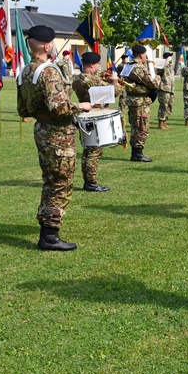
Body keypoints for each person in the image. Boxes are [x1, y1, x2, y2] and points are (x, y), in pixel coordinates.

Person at [17, 25, 92, 251]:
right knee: (60, 182)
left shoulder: (26, 70)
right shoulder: (48, 71)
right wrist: (80, 105)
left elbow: (23, 109)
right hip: (57, 133)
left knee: (51, 180)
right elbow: (59, 107)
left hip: (42, 129)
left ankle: (47, 226)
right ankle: (50, 234)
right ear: (47, 45)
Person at [73, 51, 122, 192]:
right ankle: (91, 183)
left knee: (90, 150)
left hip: (86, 116)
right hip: (95, 117)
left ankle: (89, 182)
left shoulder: (78, 78)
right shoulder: (90, 80)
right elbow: (114, 93)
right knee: (93, 151)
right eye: (97, 65)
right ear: (93, 65)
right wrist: (114, 80)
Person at [124, 44, 156, 162]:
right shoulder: (138, 67)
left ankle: (135, 153)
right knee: (142, 127)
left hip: (132, 100)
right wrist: (157, 78)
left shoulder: (128, 66)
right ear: (142, 54)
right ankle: (137, 154)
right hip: (140, 101)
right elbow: (151, 83)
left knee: (135, 126)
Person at [156, 51, 175, 129]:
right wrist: (166, 61)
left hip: (170, 89)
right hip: (164, 88)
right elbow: (160, 70)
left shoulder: (170, 66)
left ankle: (164, 122)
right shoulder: (161, 64)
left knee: (169, 105)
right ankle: (161, 123)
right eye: (170, 57)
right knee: (163, 105)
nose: (171, 59)